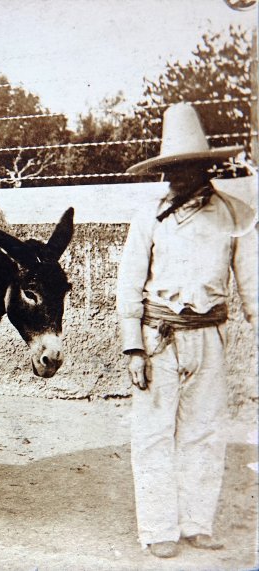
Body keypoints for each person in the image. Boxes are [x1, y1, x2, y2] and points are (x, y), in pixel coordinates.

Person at [116, 102, 257, 558]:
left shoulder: (235, 215)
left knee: (204, 431)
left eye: (188, 167)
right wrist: (133, 347)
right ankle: (159, 527)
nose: (178, 176)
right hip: (159, 338)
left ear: (205, 168)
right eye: (171, 168)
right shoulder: (149, 217)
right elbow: (129, 285)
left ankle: (197, 522)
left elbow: (251, 282)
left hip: (210, 338)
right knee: (154, 432)